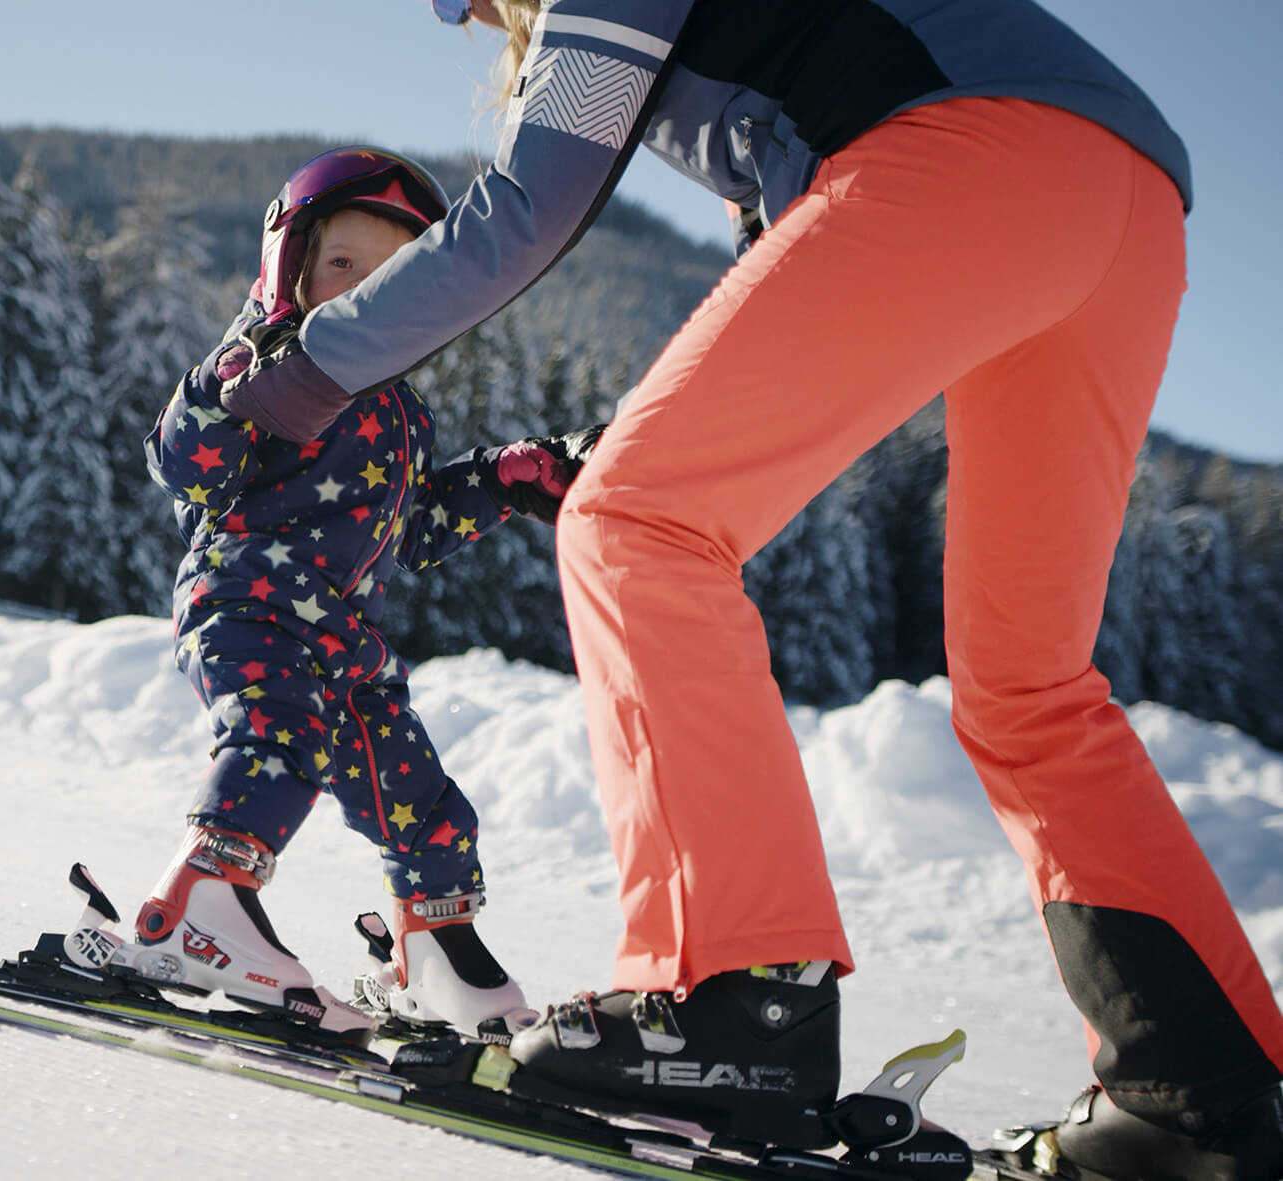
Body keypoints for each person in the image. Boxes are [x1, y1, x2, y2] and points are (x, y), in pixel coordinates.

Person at [211, 0, 1283, 1175]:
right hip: (1124, 202)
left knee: (637, 523)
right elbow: (777, 275)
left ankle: (731, 1011)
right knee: (1028, 683)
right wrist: (625, 440)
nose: (466, 10)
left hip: (977, 153)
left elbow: (530, 204)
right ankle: (1200, 1097)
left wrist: (305, 370)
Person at [127, 146, 602, 1039]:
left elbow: (411, 527)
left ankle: (435, 951)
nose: (361, 296)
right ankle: (199, 901)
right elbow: (182, 464)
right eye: (342, 267)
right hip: (250, 605)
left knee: (421, 801)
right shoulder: (267, 368)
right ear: (289, 268)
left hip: (350, 645)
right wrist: (226, 387)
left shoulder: (404, 412)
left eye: (392, 282)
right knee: (278, 737)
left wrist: (503, 478)